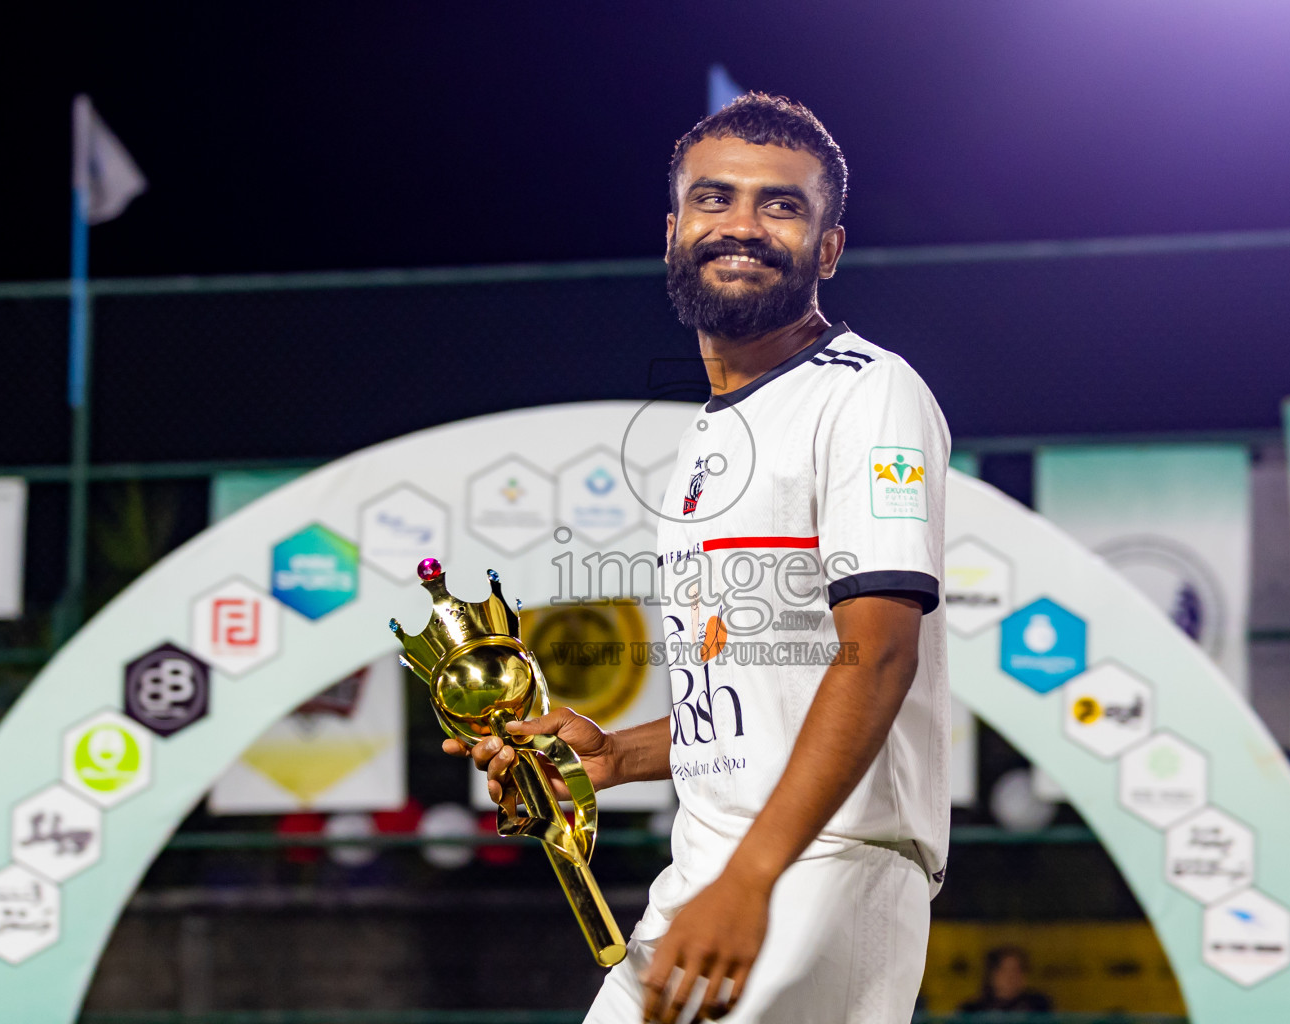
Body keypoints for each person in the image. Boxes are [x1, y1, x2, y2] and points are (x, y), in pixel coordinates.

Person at [445, 93, 952, 1023]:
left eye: (782, 205)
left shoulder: (870, 394)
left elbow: (878, 654)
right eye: (715, 200)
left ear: (828, 250)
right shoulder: (712, 431)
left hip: (820, 870)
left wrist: (754, 880)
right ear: (674, 231)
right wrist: (616, 756)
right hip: (710, 872)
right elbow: (778, 699)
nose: (743, 227)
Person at [961, 946, 1052, 1015]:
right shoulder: (972, 1010)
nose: (1012, 977)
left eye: (1017, 970)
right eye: (1004, 970)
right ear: (991, 975)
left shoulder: (1039, 1006)